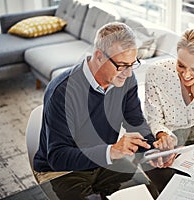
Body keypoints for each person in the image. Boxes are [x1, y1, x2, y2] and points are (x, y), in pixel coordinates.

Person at [33, 22, 174, 199]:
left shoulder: (125, 81)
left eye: (133, 64)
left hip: (106, 163)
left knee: (147, 193)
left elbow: (137, 124)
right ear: (99, 56)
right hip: (62, 171)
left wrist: (154, 150)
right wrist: (111, 151)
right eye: (122, 65)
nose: (129, 73)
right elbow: (57, 156)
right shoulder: (62, 91)